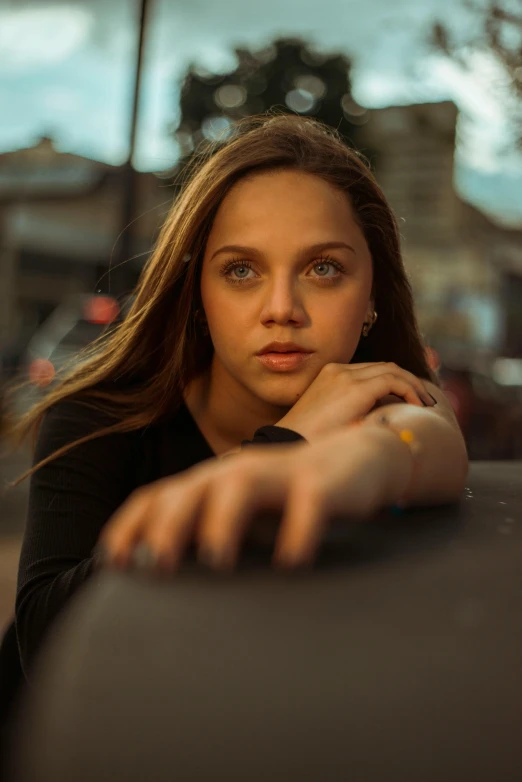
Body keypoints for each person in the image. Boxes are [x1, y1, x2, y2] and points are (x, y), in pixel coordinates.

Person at [0, 112, 468, 734]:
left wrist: (367, 461)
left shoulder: (378, 406)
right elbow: (46, 641)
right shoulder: (97, 414)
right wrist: (286, 442)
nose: (282, 310)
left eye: (323, 267)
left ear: (373, 295)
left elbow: (428, 436)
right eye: (241, 270)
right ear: (197, 293)